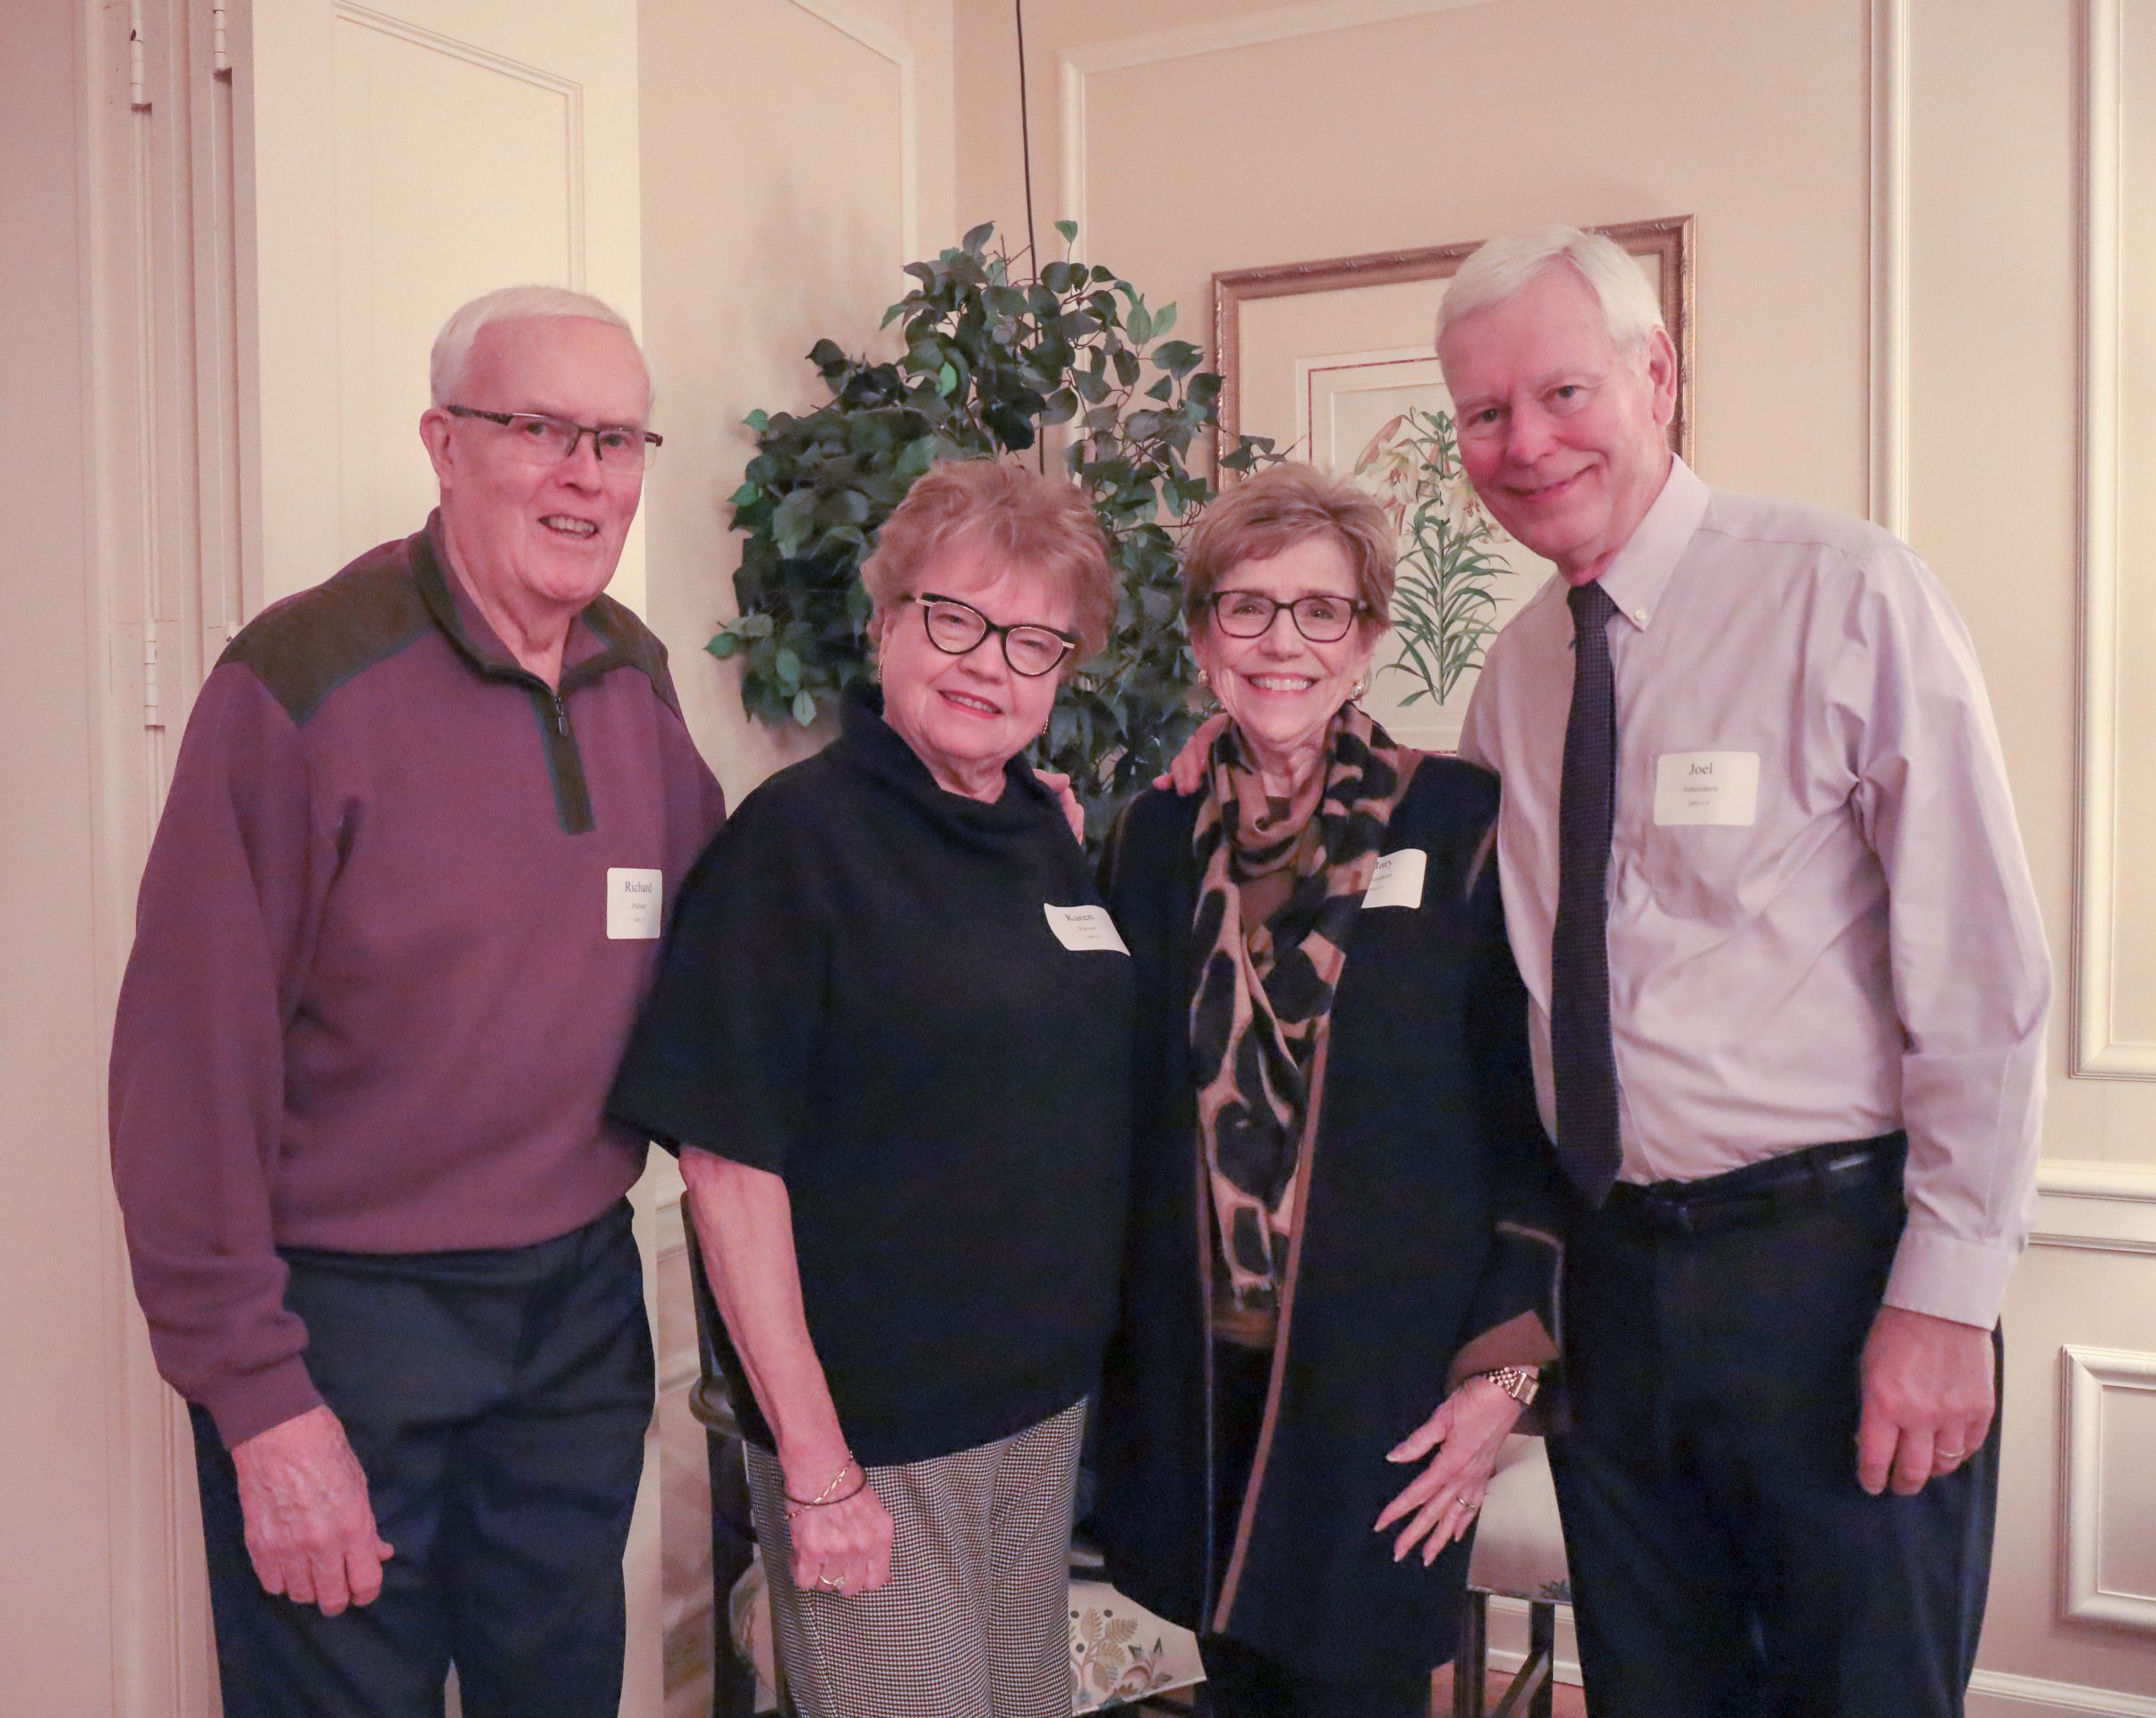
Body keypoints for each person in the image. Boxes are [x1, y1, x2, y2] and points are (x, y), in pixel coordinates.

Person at [1437, 226, 2052, 1715]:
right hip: (1612, 1286)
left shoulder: (1844, 594)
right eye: (1484, 413)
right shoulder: (1513, 677)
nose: (1525, 444)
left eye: (1562, 393)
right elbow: (1471, 965)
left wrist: (1944, 1299)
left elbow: (1978, 969)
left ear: (1655, 374)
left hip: (1830, 1273)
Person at [108, 285, 726, 1716]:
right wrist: (258, 1399)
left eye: (618, 440)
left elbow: (737, 946)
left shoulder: (634, 677)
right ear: (445, 445)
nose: (587, 476)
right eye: (541, 430)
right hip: (347, 1321)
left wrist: (987, 815)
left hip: (574, 1310)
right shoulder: (301, 681)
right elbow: (189, 1067)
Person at [607, 457, 1131, 1718]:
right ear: (886, 620)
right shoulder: (795, 843)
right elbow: (728, 1166)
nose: (988, 665)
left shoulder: (1040, 832)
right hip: (874, 1438)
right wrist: (818, 1468)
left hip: (1038, 1417)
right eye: (954, 619)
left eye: (1032, 641)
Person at [1094, 463, 1565, 1718]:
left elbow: (1533, 1116)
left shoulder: (1461, 822)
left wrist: (1504, 1375)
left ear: (1366, 639)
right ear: (1205, 637)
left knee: (1358, 1690)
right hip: (1197, 1378)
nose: (1281, 642)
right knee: (1235, 1686)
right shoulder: (1149, 838)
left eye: (1320, 610)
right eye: (1246, 607)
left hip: (1386, 1382)